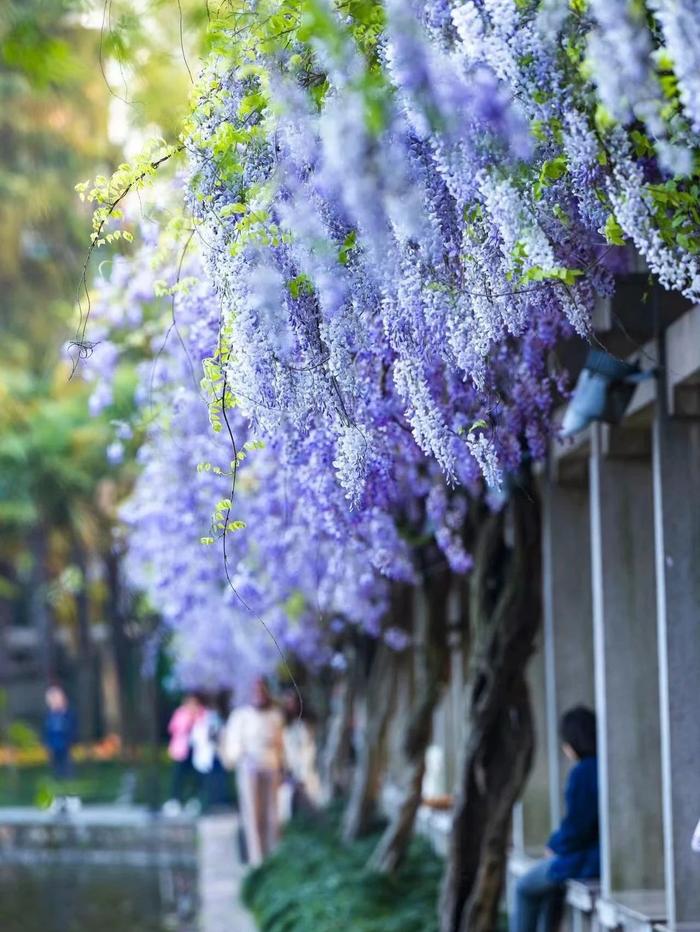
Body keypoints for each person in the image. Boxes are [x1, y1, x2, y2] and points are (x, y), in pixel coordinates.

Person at [510, 706, 600, 932]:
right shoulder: (605, 765)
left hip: (588, 859)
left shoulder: (584, 771)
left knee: (523, 887)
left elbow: (578, 826)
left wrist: (555, 846)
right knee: (550, 889)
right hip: (593, 855)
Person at [221, 677, 285, 866]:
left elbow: (281, 746)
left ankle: (275, 857)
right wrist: (240, 754)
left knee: (272, 814)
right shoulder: (241, 716)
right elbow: (233, 744)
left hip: (271, 766)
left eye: (262, 689)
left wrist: (282, 766)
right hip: (250, 768)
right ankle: (257, 860)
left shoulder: (275, 716)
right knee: (253, 815)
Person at [280, 688, 321, 821]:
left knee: (312, 801)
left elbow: (309, 747)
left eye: (293, 701)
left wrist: (305, 770)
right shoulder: (284, 726)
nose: (290, 704)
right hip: (290, 772)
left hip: (307, 770)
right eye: (288, 702)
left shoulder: (306, 724)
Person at [163, 692, 204, 815]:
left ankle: (193, 801)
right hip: (181, 751)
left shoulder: (201, 713)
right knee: (178, 777)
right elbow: (173, 728)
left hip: (196, 751)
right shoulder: (180, 713)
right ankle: (175, 801)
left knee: (195, 777)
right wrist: (188, 720)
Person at [42, 686, 77, 780]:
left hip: (65, 745)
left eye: (57, 699)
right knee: (55, 766)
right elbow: (46, 732)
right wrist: (47, 745)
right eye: (52, 701)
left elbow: (72, 729)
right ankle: (57, 779)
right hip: (53, 745)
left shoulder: (67, 714)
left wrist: (71, 740)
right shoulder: (49, 716)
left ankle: (68, 779)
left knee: (66, 765)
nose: (55, 703)